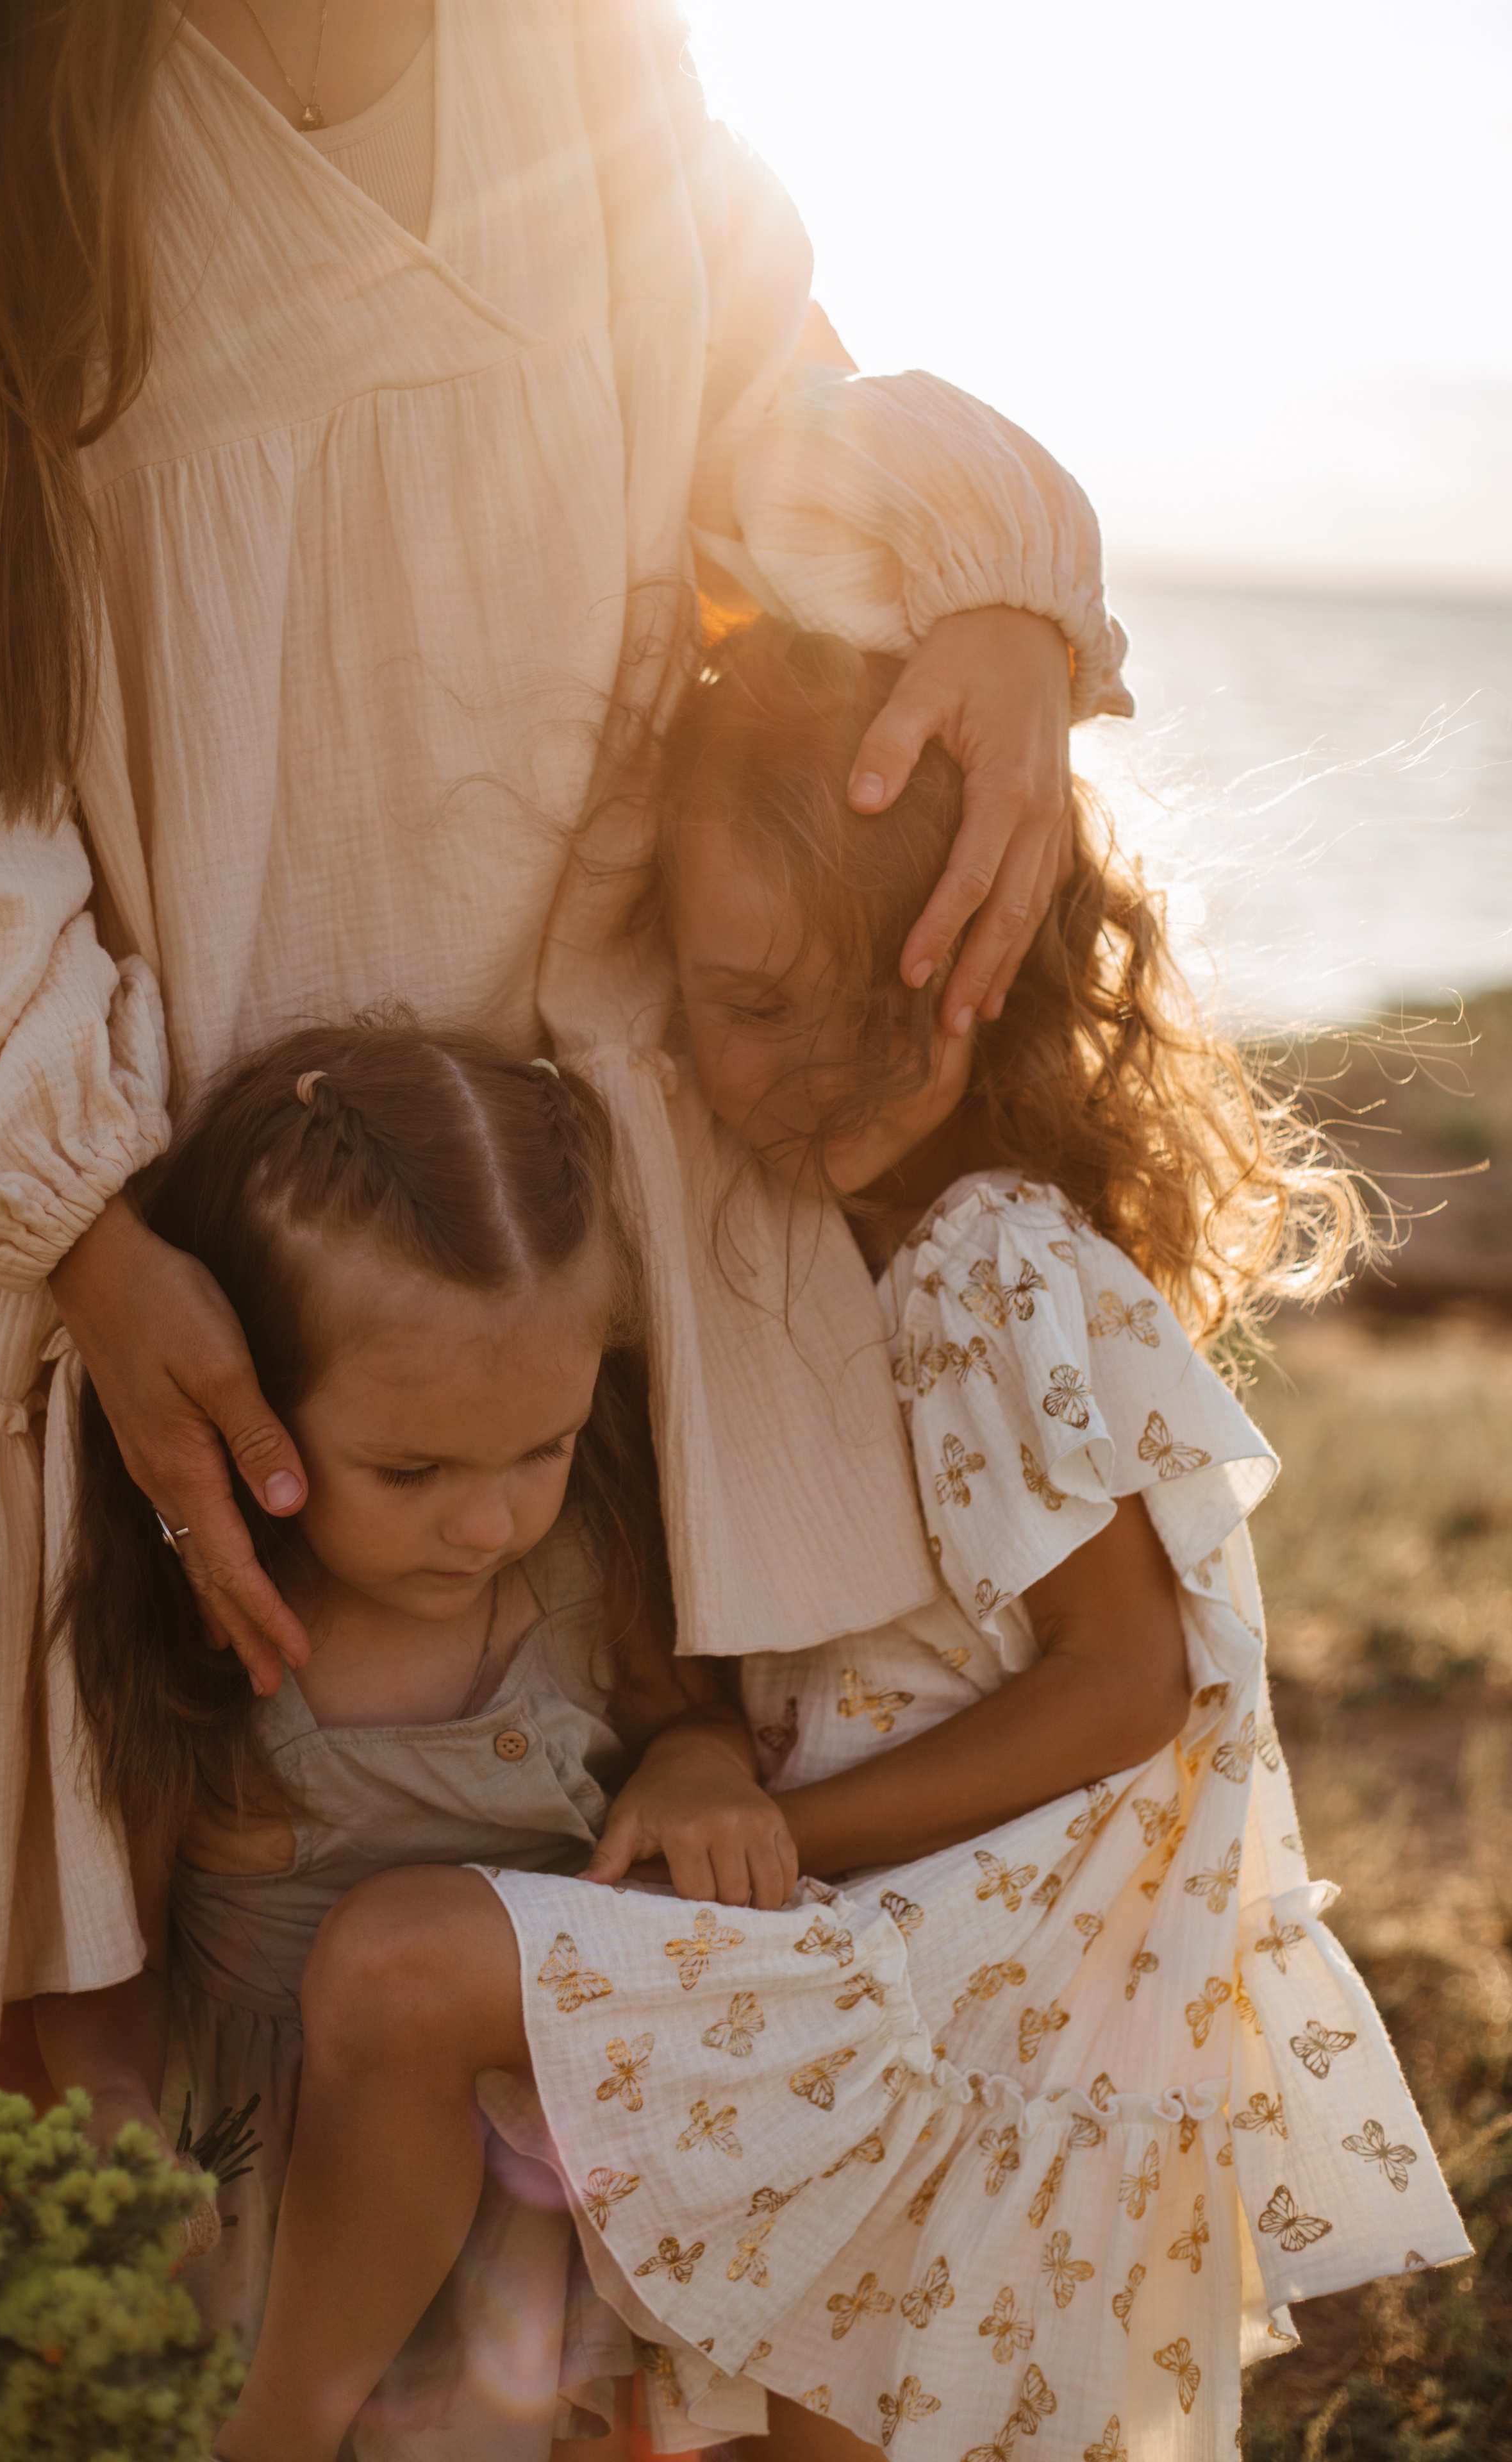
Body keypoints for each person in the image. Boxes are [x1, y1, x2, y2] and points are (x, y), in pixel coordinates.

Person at [0, 0, 1131, 2150]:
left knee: (550, 2030)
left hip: (564, 1250)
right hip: (92, 1198)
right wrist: (76, 1226)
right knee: (29, 2089)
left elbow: (784, 415)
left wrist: (991, 592)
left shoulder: (586, 60)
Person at [259, 622, 1468, 2462]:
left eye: (863, 994)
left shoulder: (985, 1257)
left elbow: (1126, 1682)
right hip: (909, 1959)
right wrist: (706, 1754)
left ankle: (241, 2428)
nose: (796, 1069)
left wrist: (771, 1835)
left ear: (985, 965)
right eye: (738, 1006)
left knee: (399, 1973)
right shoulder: (830, 1241)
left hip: (970, 1977)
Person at [37, 1015, 796, 2459]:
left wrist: (696, 1763)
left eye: (542, 1447)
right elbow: (100, 1948)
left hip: (528, 2185)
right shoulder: (190, 1638)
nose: (487, 1519)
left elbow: (676, 1721)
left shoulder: (580, 1566)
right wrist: (113, 2105)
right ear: (250, 1398)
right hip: (273, 2193)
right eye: (412, 1467)